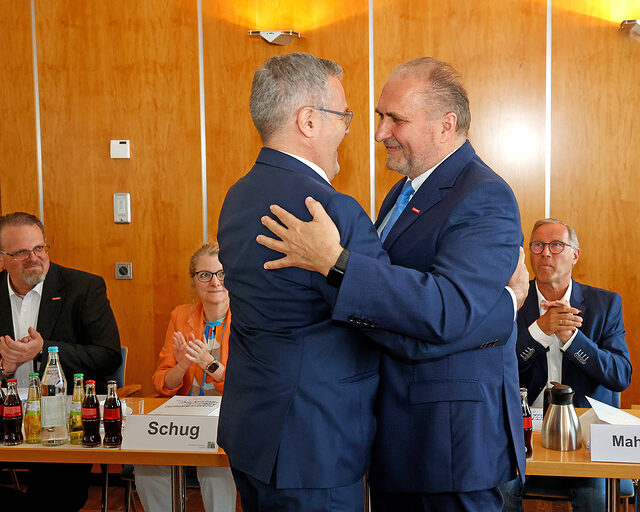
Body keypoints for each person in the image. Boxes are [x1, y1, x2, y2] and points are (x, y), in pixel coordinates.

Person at [256, 57, 528, 512]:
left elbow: (446, 312)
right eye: (380, 116)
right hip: (402, 440)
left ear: (447, 125)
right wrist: (505, 305)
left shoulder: (484, 195)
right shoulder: (402, 192)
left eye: (395, 119)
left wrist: (334, 264)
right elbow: (402, 311)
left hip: (450, 450)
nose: (380, 131)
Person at [216, 52, 388, 512]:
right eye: (344, 115)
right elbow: (387, 315)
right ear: (309, 121)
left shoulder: (237, 196)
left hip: (253, 429)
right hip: (315, 442)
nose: (350, 128)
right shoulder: (329, 210)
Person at [501, 218, 632, 511]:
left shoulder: (605, 304)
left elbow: (620, 375)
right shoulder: (510, 302)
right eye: (537, 245)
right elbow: (498, 370)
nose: (545, 253)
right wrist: (539, 332)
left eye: (556, 245)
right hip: (522, 430)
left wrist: (573, 341)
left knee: (595, 496)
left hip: (584, 436)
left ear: (574, 255)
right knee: (500, 491)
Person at [0, 211, 122, 511]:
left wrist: (44, 351)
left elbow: (108, 356)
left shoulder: (83, 287)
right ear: (2, 258)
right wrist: (3, 368)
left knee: (55, 498)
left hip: (64, 421)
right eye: (22, 253)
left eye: (39, 248)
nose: (34, 258)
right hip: (5, 417)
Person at [134, 242, 237, 512]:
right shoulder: (181, 316)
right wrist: (181, 366)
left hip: (228, 415)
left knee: (213, 465)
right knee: (146, 461)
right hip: (184, 415)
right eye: (205, 275)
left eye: (222, 274)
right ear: (194, 281)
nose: (214, 282)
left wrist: (209, 364)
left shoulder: (247, 318)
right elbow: (162, 382)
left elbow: (247, 385)